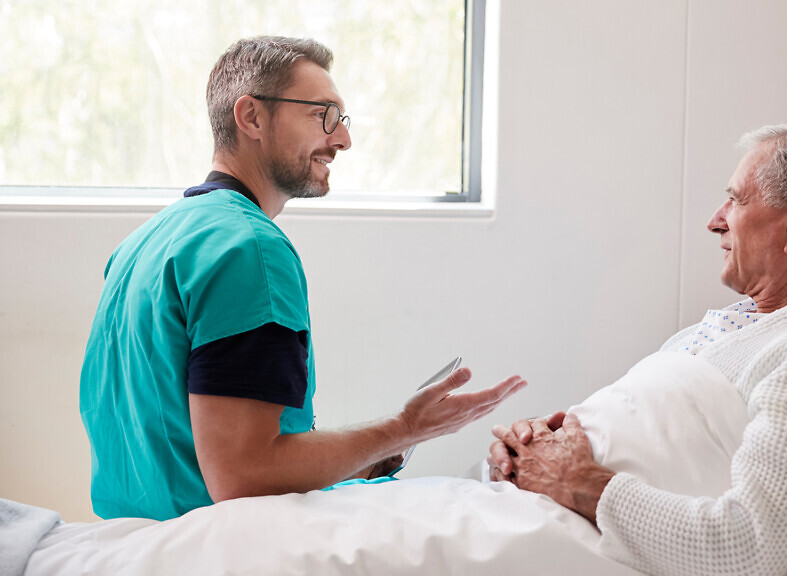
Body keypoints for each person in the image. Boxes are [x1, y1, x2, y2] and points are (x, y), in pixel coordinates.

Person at [79, 36, 525, 521]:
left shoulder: (144, 243)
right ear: (251, 117)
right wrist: (404, 427)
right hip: (209, 551)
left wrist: (360, 462)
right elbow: (242, 475)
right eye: (323, 115)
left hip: (131, 539)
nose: (342, 139)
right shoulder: (249, 247)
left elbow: (183, 445)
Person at [488, 125, 787, 576]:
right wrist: (532, 447)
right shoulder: (727, 327)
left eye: (736, 200)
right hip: (510, 511)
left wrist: (574, 480)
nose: (715, 220)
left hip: (551, 539)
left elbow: (748, 548)